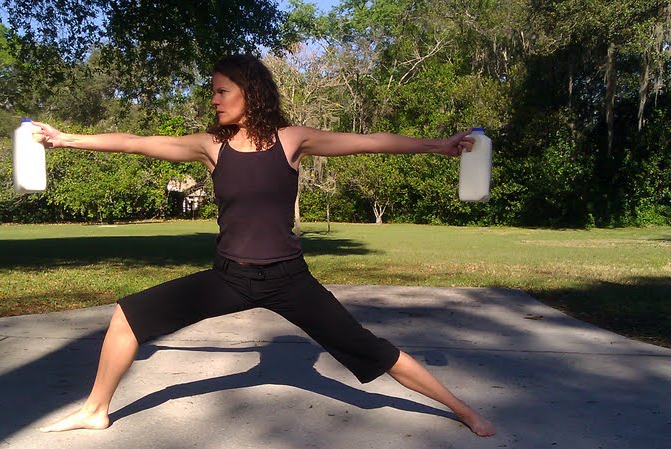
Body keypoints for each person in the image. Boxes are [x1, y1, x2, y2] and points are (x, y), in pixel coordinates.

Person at [34, 54, 495, 437]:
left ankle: (464, 410)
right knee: (127, 317)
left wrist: (437, 146)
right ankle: (96, 410)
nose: (213, 100)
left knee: (372, 349)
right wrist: (65, 140)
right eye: (212, 91)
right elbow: (135, 143)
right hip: (229, 277)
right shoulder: (210, 146)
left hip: (289, 280)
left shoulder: (292, 139)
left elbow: (370, 142)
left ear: (249, 92)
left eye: (221, 91)